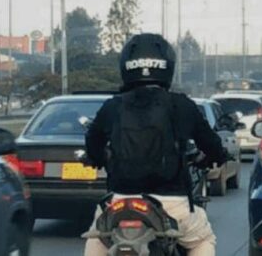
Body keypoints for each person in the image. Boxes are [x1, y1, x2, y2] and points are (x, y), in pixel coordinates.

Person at [83, 33, 228, 256]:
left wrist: (101, 158)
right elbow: (212, 144)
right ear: (167, 65)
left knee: (97, 238)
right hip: (172, 205)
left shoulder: (113, 106)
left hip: (119, 202)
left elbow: (92, 143)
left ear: (126, 65)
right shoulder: (182, 105)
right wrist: (215, 156)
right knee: (203, 239)